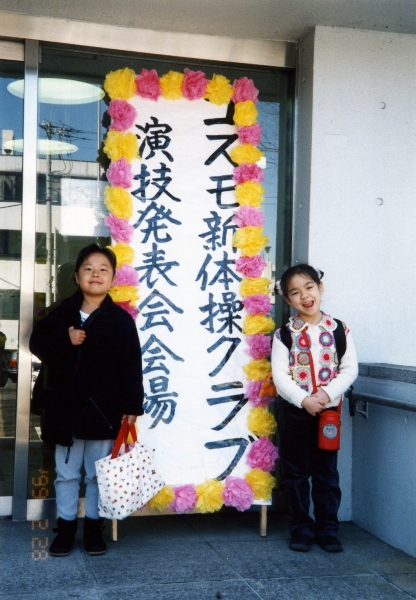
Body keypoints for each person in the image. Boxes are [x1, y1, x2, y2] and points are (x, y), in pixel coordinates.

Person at [30, 244, 144, 557]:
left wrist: (131, 407)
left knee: (97, 476)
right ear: (77, 276)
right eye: (88, 269)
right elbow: (37, 344)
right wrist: (64, 339)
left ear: (113, 279)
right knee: (66, 474)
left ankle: (94, 530)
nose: (95, 274)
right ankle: (66, 530)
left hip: (103, 413)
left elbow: (131, 366)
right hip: (64, 411)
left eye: (103, 269)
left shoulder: (120, 321)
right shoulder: (61, 313)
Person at [271, 264, 358, 553]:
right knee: (295, 473)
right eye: (295, 292)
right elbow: (280, 377)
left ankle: (327, 529)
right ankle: (301, 528)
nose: (305, 296)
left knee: (326, 473)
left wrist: (325, 394)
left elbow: (349, 369)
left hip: (328, 414)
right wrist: (303, 399)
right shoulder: (284, 335)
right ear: (288, 300)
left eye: (309, 287)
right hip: (294, 412)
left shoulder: (339, 330)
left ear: (320, 288)